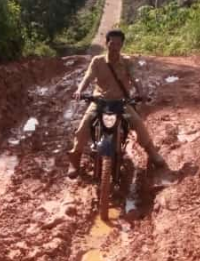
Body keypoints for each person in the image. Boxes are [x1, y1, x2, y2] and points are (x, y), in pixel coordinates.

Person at [67, 28, 167, 178]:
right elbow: (87, 78)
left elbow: (135, 78)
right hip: (99, 101)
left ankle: (152, 153)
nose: (114, 47)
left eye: (118, 44)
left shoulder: (127, 62)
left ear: (122, 45)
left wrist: (141, 92)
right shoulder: (97, 61)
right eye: (112, 43)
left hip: (121, 102)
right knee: (83, 127)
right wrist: (79, 90)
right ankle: (75, 160)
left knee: (138, 123)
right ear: (106, 43)